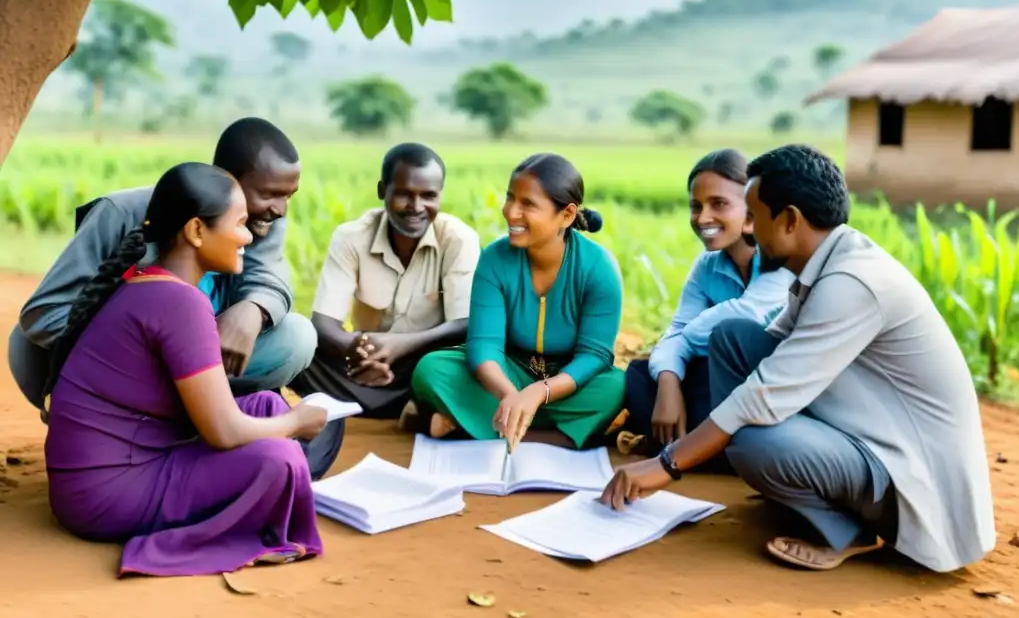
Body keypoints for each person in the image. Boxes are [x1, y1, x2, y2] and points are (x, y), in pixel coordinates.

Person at [600, 144, 995, 574]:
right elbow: (768, 349)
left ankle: (849, 532)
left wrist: (667, 464)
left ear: (789, 219)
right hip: (864, 432)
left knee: (752, 440)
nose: (748, 228)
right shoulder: (822, 265)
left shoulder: (852, 282)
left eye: (754, 215)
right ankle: (792, 490)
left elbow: (762, 394)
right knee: (734, 341)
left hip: (908, 473)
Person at [43, 162, 330, 577]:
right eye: (240, 223)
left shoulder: (151, 282)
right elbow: (224, 431)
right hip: (102, 495)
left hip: (110, 471)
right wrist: (297, 422)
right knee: (281, 456)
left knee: (267, 404)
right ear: (197, 231)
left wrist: (281, 417)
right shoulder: (182, 303)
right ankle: (235, 533)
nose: (249, 236)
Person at [9, 117, 317, 415]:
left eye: (288, 196)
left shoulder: (262, 218)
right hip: (126, 367)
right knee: (24, 344)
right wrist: (152, 347)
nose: (280, 210)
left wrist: (252, 311)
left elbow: (269, 277)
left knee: (297, 336)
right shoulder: (121, 215)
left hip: (199, 362)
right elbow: (44, 313)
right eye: (270, 195)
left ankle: (198, 417)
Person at [409, 153, 626, 451]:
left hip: (565, 384)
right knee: (432, 369)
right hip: (507, 374)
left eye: (528, 204)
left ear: (566, 214)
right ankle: (549, 436)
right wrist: (511, 396)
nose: (511, 212)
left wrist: (539, 392)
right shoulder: (495, 260)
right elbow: (484, 345)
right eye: (511, 198)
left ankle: (471, 428)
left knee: (614, 387)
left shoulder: (599, 268)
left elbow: (594, 355)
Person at [620, 149, 792, 459]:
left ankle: (699, 448)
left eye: (719, 204)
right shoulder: (707, 266)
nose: (703, 218)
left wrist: (683, 339)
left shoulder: (779, 258)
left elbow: (746, 314)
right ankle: (702, 447)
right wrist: (669, 381)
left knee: (731, 333)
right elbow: (677, 328)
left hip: (768, 381)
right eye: (696, 206)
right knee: (640, 376)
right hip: (719, 383)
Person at [291, 143, 481, 419]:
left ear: (440, 196)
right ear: (383, 191)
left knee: (457, 362)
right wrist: (359, 350)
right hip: (363, 363)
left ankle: (372, 403)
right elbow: (324, 322)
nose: (416, 207)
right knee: (299, 345)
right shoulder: (351, 237)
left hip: (426, 359)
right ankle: (419, 406)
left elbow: (463, 324)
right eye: (404, 195)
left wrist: (400, 345)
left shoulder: (458, 239)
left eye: (428, 196)